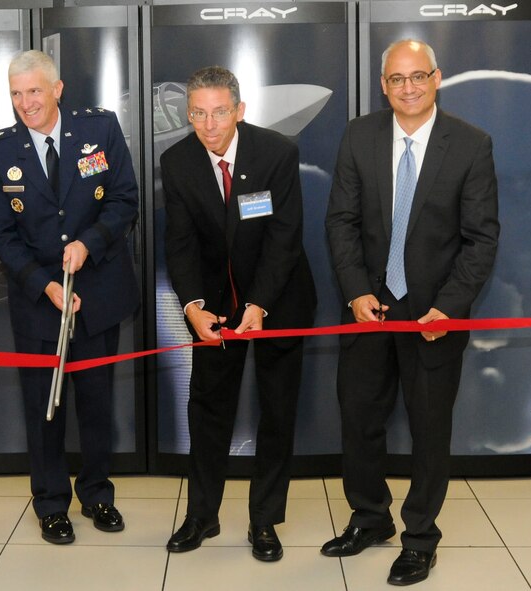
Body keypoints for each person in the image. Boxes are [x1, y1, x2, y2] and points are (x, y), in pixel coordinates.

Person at [322, 39, 499, 585]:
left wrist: (448, 307)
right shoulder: (359, 136)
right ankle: (369, 518)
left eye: (418, 76)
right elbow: (341, 222)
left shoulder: (470, 144)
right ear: (384, 86)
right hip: (368, 313)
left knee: (429, 432)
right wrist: (355, 291)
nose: (409, 88)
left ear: (436, 78)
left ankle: (420, 539)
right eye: (397, 79)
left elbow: (481, 240)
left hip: (433, 320)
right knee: (359, 421)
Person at [0, 50, 139, 544]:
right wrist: (42, 284)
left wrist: (89, 244)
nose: (25, 102)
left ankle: (97, 494)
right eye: (16, 93)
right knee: (43, 409)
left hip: (98, 290)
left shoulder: (99, 129)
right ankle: (51, 503)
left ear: (57, 89)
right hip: (37, 297)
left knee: (96, 401)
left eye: (34, 91)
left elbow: (124, 199)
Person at [161, 66, 317, 561]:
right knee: (208, 411)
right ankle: (201, 515)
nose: (209, 125)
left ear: (240, 111)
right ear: (188, 115)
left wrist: (259, 303)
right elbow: (180, 244)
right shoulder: (177, 162)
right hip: (214, 307)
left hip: (278, 299)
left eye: (220, 112)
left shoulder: (277, 153)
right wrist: (192, 307)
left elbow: (285, 235)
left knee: (277, 411)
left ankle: (264, 520)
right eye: (198, 114)